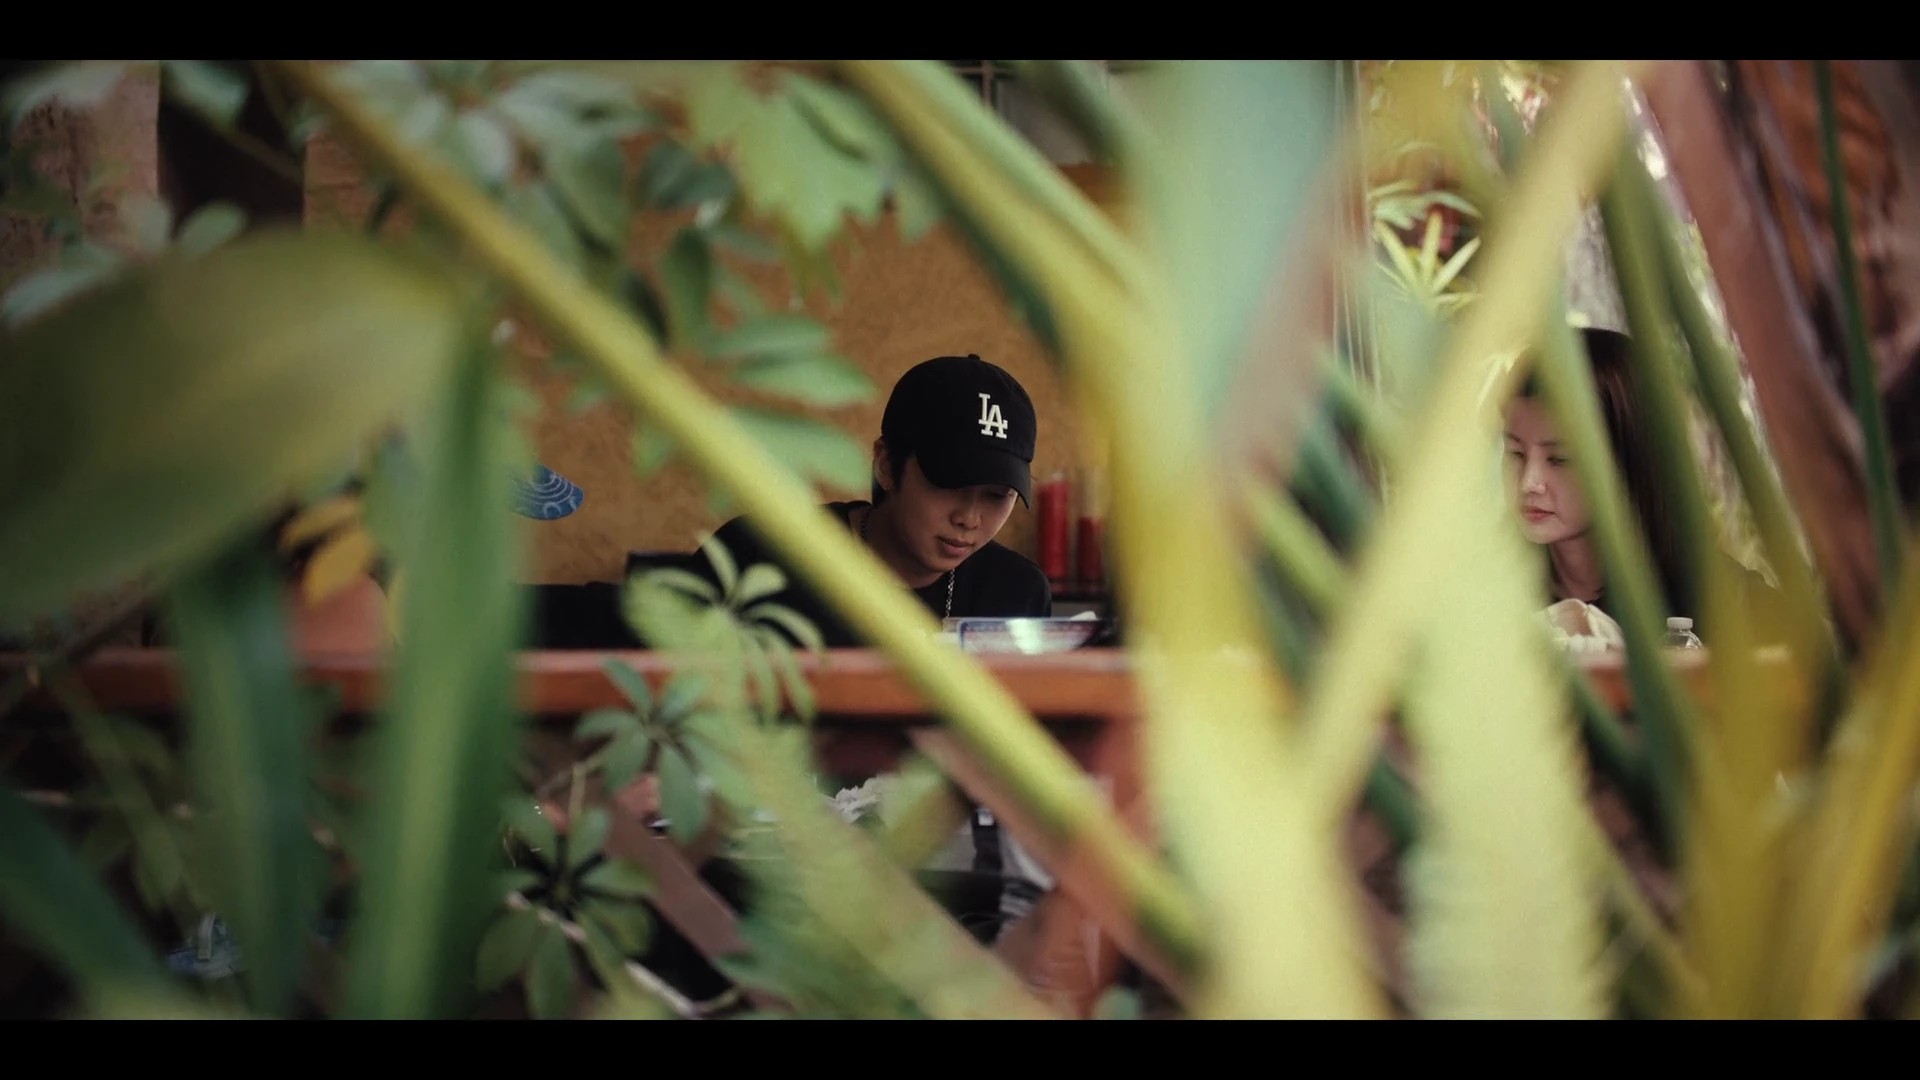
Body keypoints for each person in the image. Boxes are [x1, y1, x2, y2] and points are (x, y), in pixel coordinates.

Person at [697, 353, 1053, 644]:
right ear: (886, 464)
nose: (969, 518)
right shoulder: (758, 553)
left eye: (997, 495)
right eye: (948, 484)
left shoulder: (1016, 592)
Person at [1503, 326, 1770, 643]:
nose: (1529, 483)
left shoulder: (1715, 595)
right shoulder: (1489, 591)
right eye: (1515, 453)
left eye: (1559, 459)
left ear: (1629, 458)